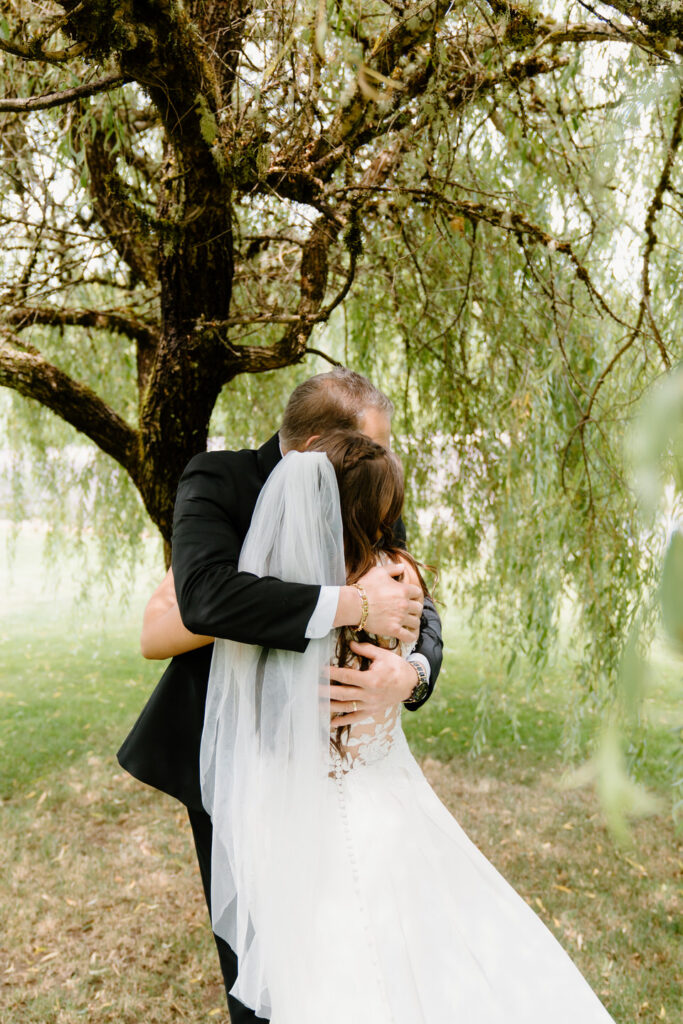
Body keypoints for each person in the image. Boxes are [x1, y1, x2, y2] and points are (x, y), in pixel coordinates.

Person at [148, 431, 617, 1023]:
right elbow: (178, 623)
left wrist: (410, 673)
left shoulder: (275, 582)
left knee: (345, 955)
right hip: (328, 797)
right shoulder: (377, 579)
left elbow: (168, 630)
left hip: (336, 797)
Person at [117, 368, 443, 1023]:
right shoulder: (219, 481)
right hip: (231, 748)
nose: (384, 462)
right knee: (257, 953)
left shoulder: (367, 475)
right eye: (372, 447)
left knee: (348, 930)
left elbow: (415, 598)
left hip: (336, 750)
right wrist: (352, 602)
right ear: (319, 445)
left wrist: (410, 673)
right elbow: (203, 600)